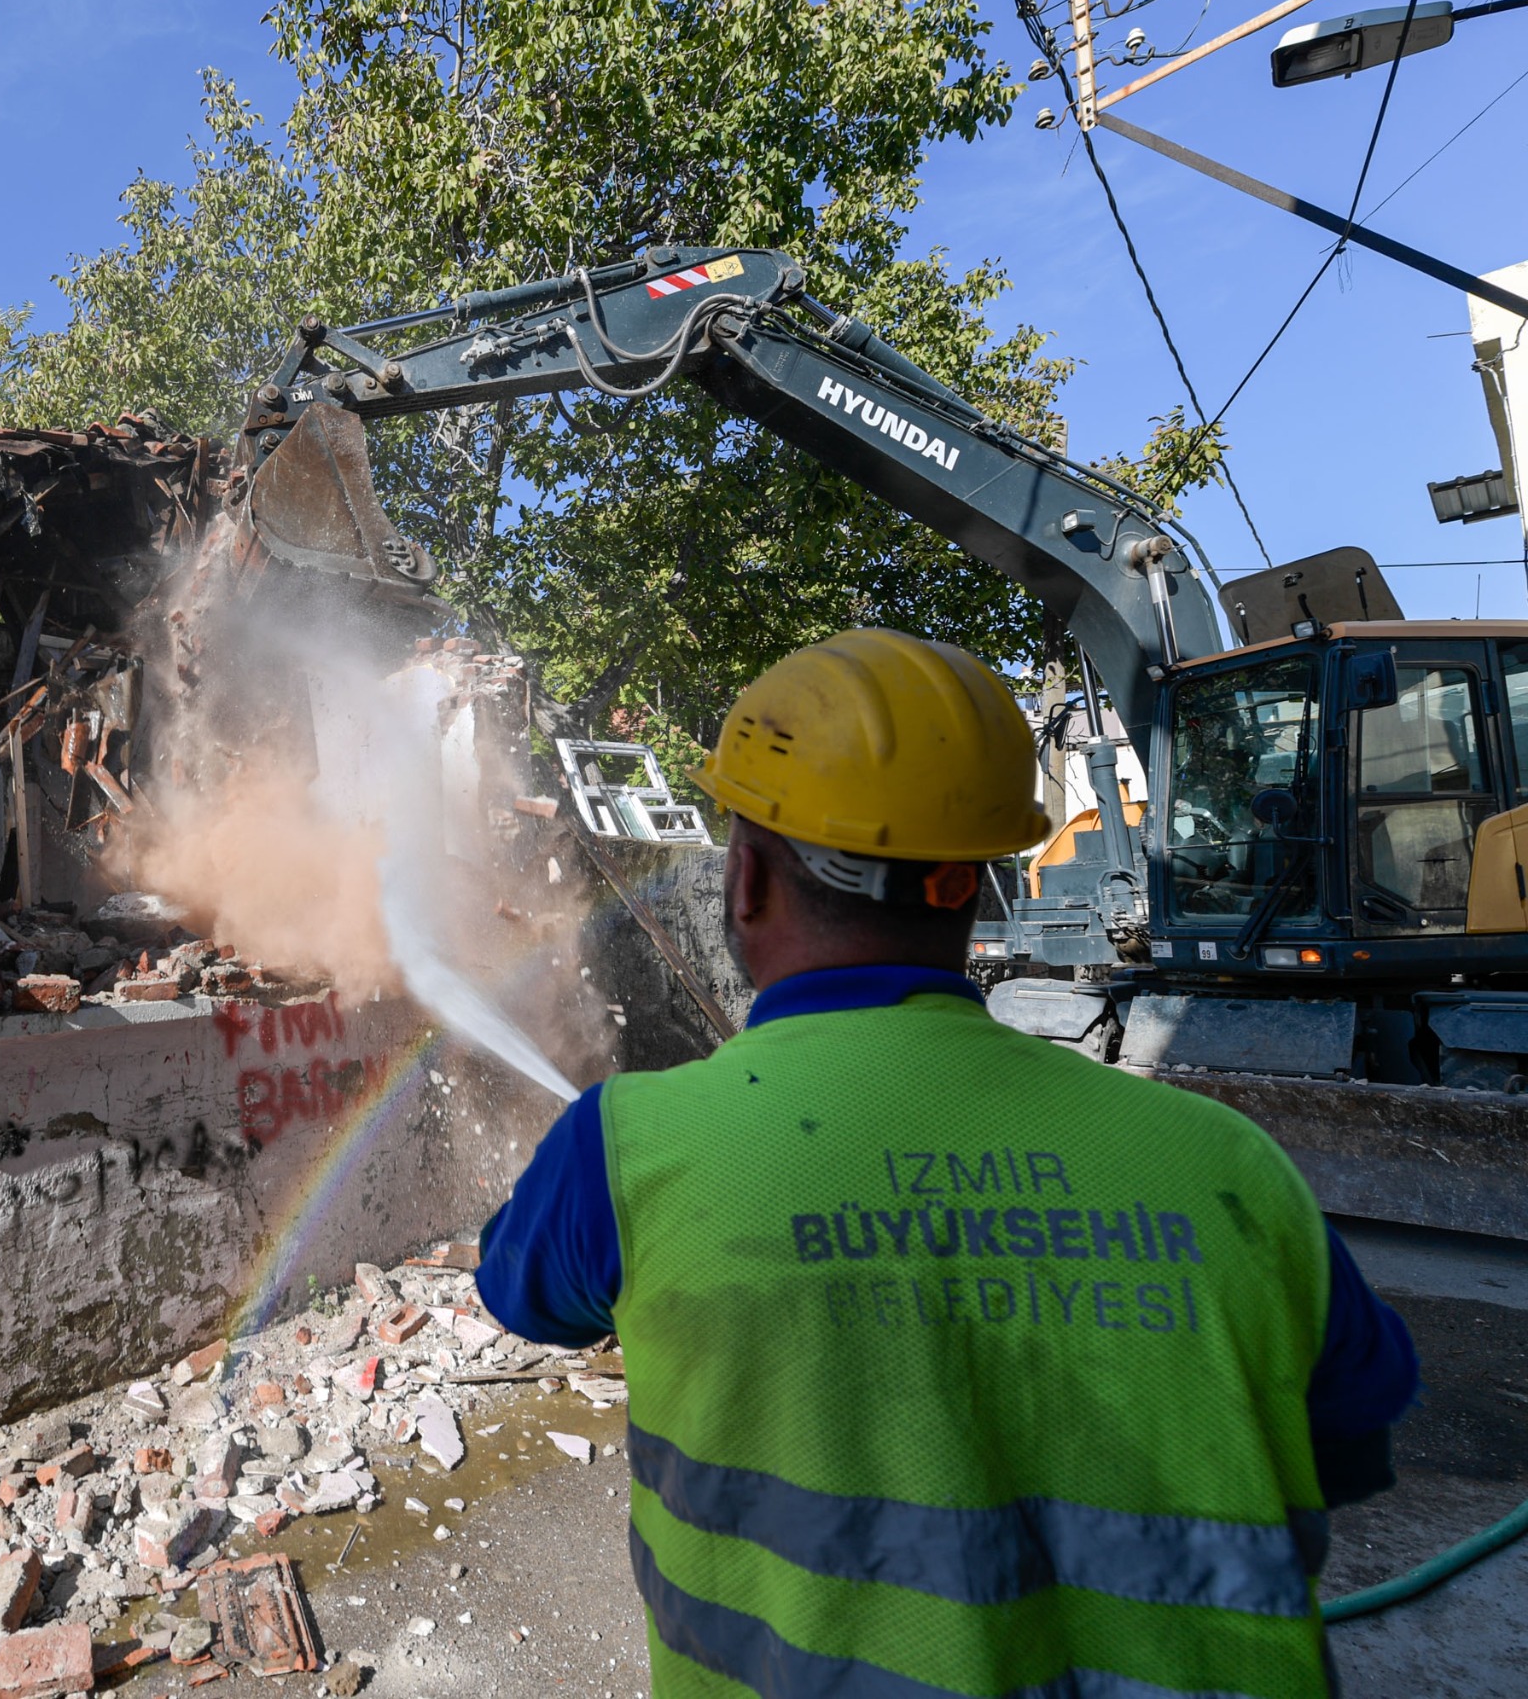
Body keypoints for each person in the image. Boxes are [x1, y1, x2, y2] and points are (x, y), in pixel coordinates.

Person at [477, 628, 1417, 1699]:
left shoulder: (624, 1143)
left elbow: (523, 1292)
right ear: (970, 883)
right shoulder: (1230, 1167)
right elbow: (1345, 1450)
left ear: (742, 879)